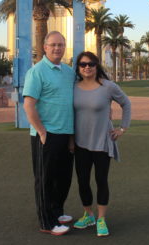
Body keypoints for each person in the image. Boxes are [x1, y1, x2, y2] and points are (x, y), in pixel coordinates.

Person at [71, 51, 131, 237]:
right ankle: (89, 214)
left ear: (97, 66)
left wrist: (122, 128)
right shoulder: (73, 87)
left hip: (102, 142)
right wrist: (70, 140)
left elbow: (126, 103)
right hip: (80, 143)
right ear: (78, 68)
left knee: (101, 180)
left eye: (91, 64)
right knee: (82, 181)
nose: (87, 67)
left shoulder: (108, 86)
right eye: (83, 64)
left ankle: (102, 218)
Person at [23, 31, 76, 236]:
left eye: (61, 45)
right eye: (53, 45)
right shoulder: (37, 72)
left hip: (66, 134)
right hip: (46, 135)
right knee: (45, 179)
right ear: (45, 47)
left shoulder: (69, 72)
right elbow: (29, 105)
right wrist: (41, 131)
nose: (57, 48)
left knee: (63, 178)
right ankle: (47, 222)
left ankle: (57, 212)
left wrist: (71, 137)